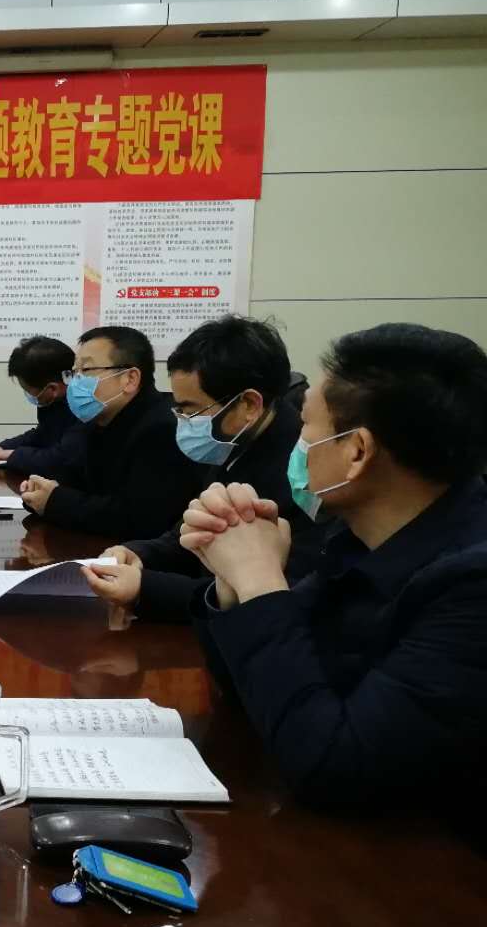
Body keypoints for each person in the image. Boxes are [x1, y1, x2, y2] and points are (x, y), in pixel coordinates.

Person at [180, 323, 487, 809]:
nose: (298, 444)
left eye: (306, 426)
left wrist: (261, 580)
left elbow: (335, 767)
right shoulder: (358, 539)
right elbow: (253, 687)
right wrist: (231, 580)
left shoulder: (472, 584)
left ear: (357, 451)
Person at [82, 315, 326, 622]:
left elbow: (277, 594)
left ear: (249, 404)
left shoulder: (303, 475)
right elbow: (192, 533)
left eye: (192, 410)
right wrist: (139, 554)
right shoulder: (234, 443)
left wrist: (146, 587)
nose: (183, 421)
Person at [17, 326, 202, 541]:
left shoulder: (162, 428)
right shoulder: (96, 421)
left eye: (86, 370)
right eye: (73, 372)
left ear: (130, 379)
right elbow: (69, 479)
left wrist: (54, 502)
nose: (75, 382)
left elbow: (139, 519)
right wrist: (37, 492)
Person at [0, 335, 86, 477]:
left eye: (28, 390)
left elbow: (61, 459)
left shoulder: (85, 408)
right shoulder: (55, 401)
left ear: (53, 389)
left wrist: (11, 454)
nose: (28, 395)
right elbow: (41, 436)